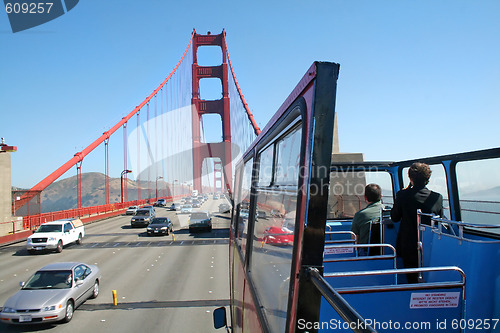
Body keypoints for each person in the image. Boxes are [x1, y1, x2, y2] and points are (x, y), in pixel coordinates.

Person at [391, 162, 443, 283]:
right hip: (430, 244)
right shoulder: (437, 197)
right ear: (427, 178)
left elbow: (395, 217)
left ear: (410, 178)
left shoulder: (403, 195)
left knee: (411, 278)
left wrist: (405, 192)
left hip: (408, 244)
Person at [351, 184, 382, 256]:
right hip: (387, 250)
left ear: (365, 197)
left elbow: (354, 239)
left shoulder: (360, 215)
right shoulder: (388, 212)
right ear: (381, 197)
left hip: (366, 252)